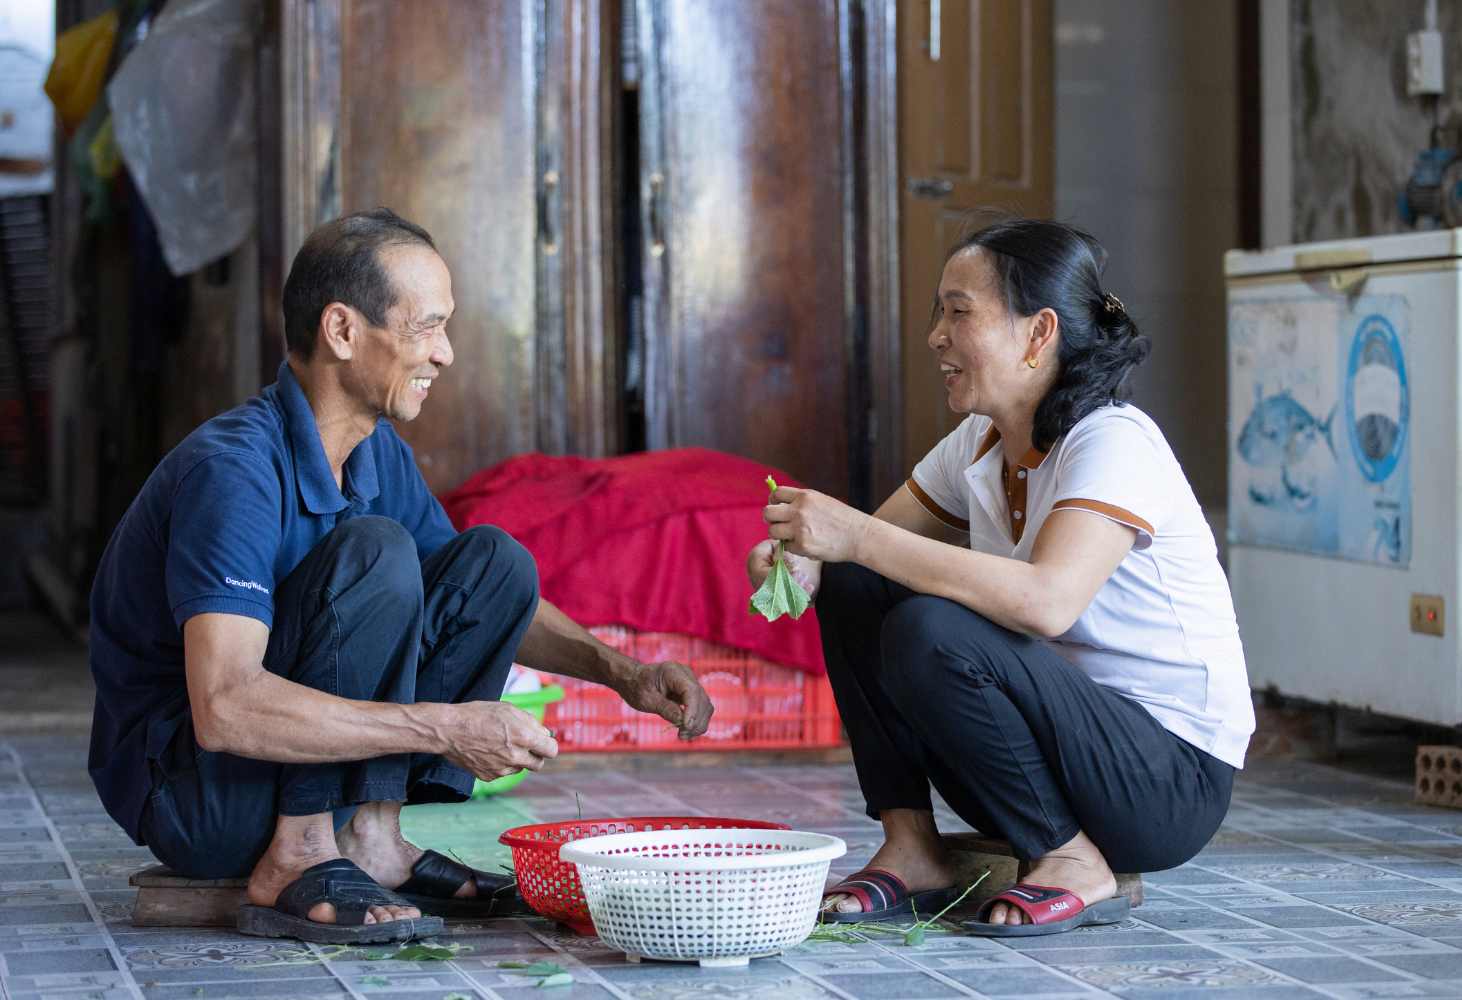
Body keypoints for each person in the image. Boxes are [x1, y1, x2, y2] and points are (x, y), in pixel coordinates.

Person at [89, 208, 713, 944]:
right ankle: (298, 851)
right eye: (426, 327)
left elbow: (471, 601)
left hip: (273, 775)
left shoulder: (376, 452)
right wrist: (446, 727)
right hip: (200, 795)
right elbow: (225, 707)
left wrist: (623, 674)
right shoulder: (233, 471)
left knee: (493, 563)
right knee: (377, 554)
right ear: (343, 331)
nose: (444, 354)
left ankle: (372, 841)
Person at [746, 218, 1252, 937]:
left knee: (931, 624)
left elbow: (1048, 602)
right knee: (860, 582)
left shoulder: (1112, 441)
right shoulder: (979, 444)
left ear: (1038, 333)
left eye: (960, 312)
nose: (936, 337)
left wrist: (853, 536)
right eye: (939, 313)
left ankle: (1072, 859)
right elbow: (862, 557)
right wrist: (800, 559)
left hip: (1165, 783)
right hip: (1034, 764)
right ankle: (913, 845)